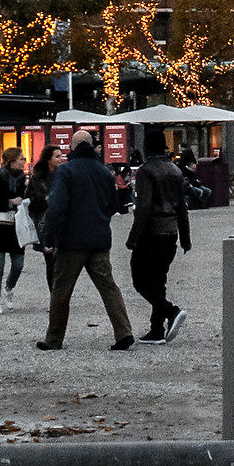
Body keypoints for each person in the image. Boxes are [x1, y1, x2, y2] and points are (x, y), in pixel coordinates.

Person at [36, 136, 136, 351]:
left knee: (61, 290)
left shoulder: (66, 171)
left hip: (72, 241)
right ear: (91, 146)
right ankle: (124, 332)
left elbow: (57, 207)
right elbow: (114, 205)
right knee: (108, 287)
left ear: (72, 147)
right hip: (99, 238)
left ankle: (54, 338)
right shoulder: (104, 171)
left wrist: (50, 237)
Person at [128, 135, 193, 343]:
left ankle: (170, 311)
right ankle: (156, 329)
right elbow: (182, 207)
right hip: (170, 231)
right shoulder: (175, 170)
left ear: (147, 149)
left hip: (152, 233)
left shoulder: (146, 171)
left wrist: (133, 237)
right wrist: (185, 238)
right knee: (158, 279)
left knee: (140, 279)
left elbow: (144, 207)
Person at [0, 147, 26, 316]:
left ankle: (9, 286)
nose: (24, 161)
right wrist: (11, 202)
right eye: (21, 159)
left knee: (18, 264)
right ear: (11, 161)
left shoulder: (23, 180)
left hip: (17, 225)